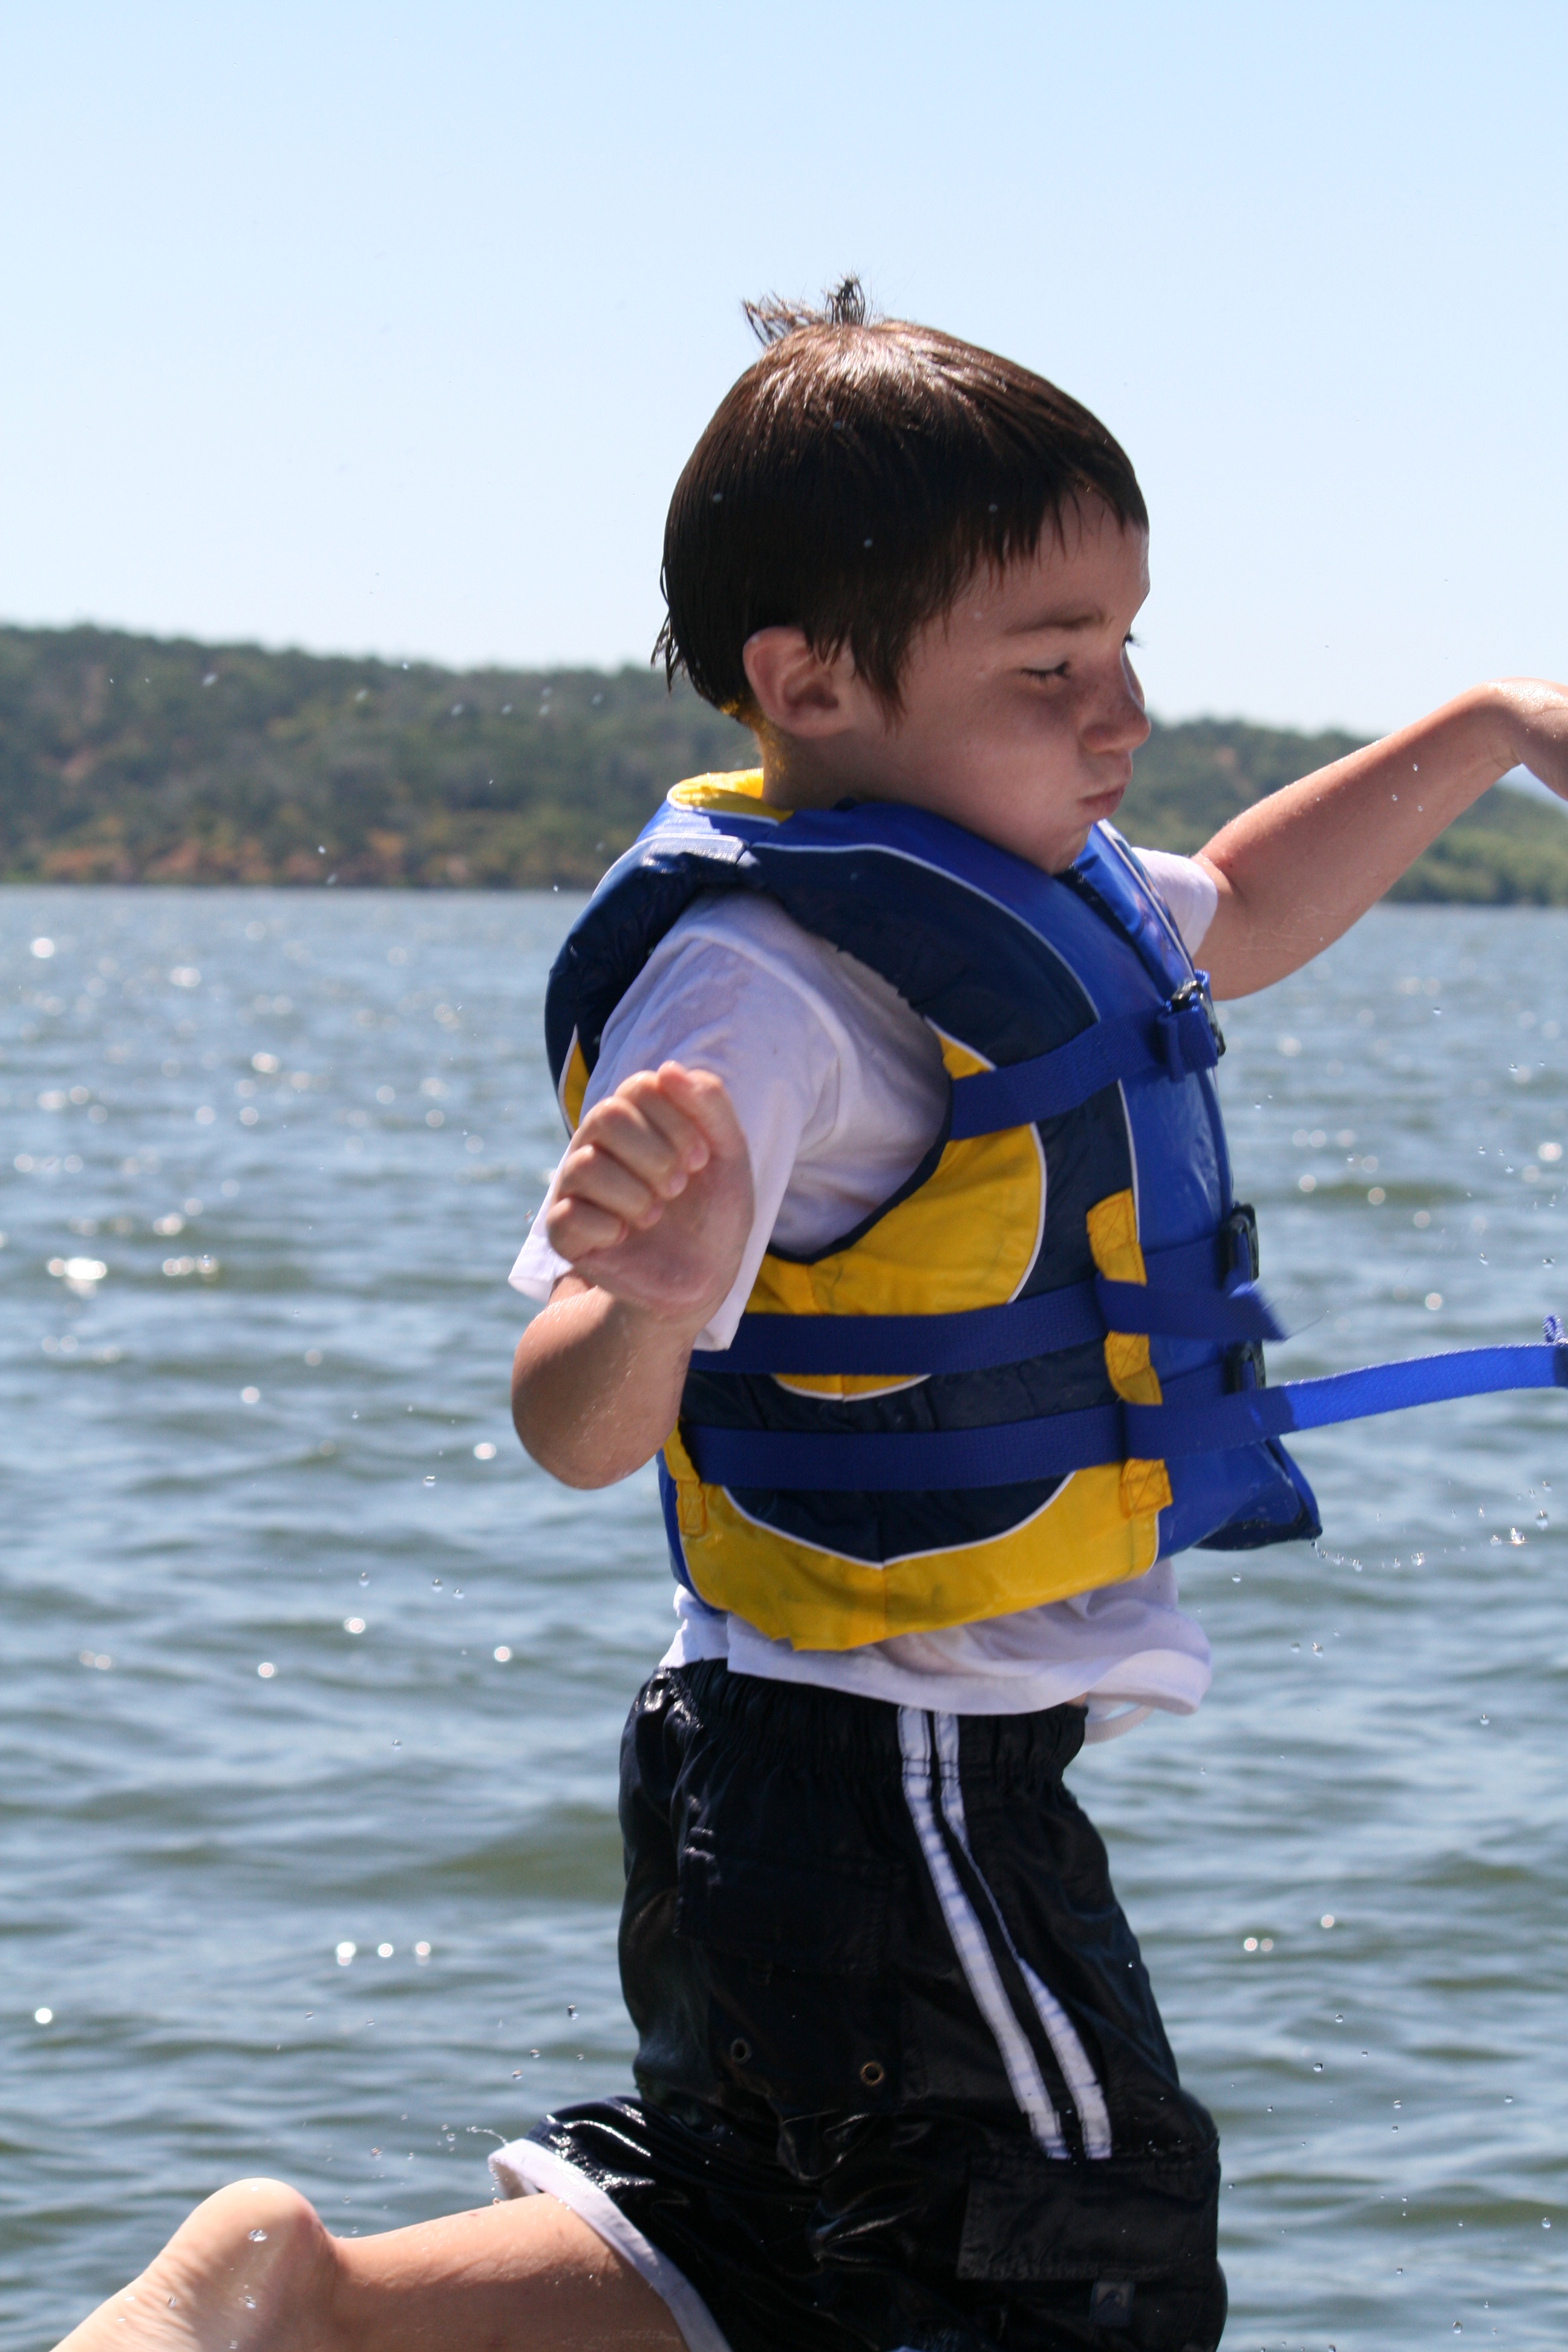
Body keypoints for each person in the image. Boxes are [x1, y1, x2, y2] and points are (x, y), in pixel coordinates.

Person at [55, 284, 1567, 2352]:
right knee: (1078, 2252)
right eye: (1051, 665)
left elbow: (1254, 906)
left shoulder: (1022, 892)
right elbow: (577, 1424)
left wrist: (1490, 727)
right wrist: (653, 1301)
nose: (1121, 712)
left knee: (754, 2259)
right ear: (814, 682)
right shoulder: (765, 990)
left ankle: (316, 2314)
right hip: (885, 1769)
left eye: (1130, 644)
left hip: (801, 1758)